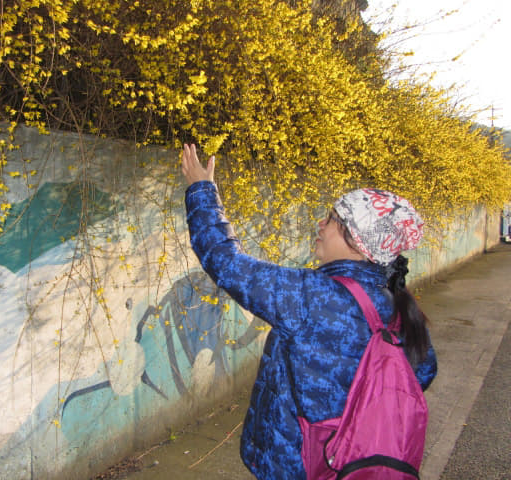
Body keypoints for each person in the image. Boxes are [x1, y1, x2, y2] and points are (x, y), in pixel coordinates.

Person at [181, 144, 437, 480]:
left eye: (332, 218)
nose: (321, 223)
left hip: (301, 463)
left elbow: (228, 263)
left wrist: (201, 189)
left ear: (358, 241)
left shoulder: (312, 296)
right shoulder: (397, 303)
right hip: (356, 458)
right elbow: (423, 372)